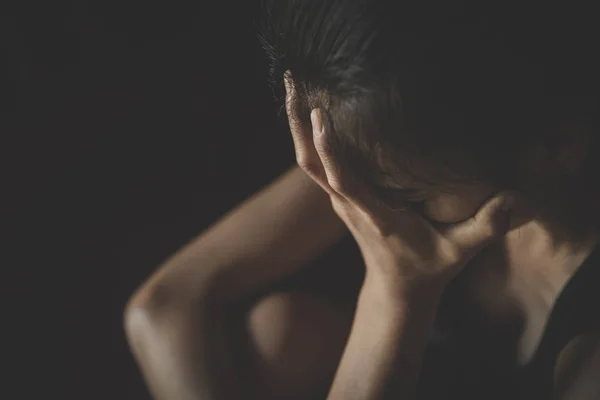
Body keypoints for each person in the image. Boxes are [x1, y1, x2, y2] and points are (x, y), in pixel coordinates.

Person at [124, 1, 600, 399]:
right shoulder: (391, 152)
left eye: (408, 191)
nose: (369, 206)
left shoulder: (585, 358)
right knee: (279, 334)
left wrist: (395, 289)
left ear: (557, 151)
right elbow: (163, 308)